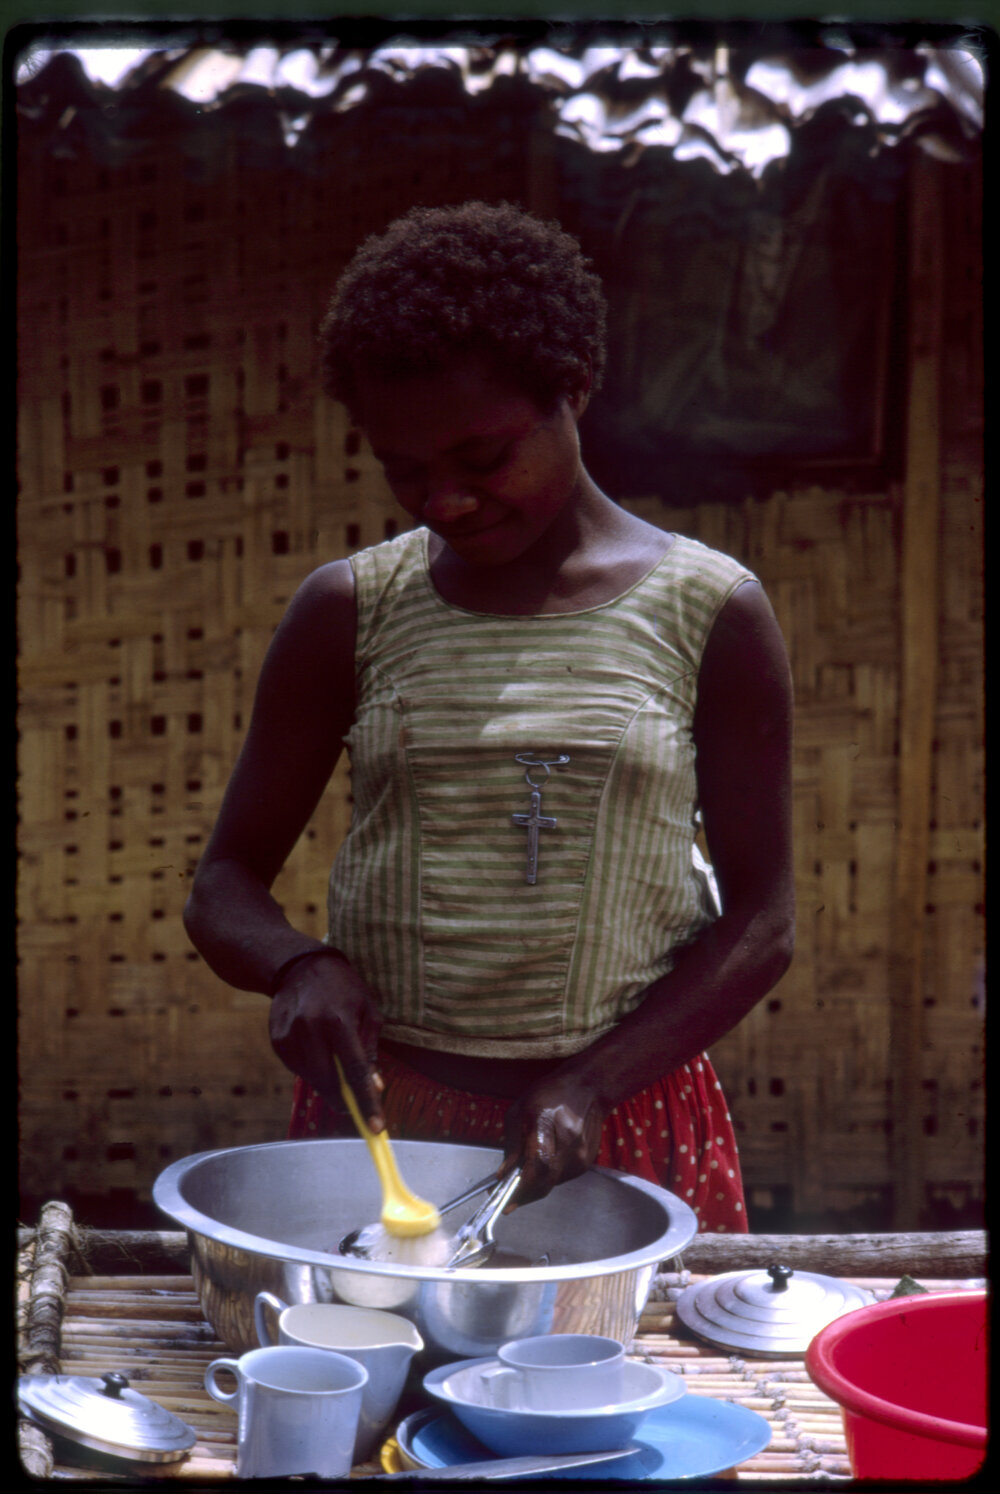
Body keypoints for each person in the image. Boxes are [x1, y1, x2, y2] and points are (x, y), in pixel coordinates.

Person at [183, 200, 794, 1233]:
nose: (446, 501)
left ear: (574, 389)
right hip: (386, 1130)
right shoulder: (350, 612)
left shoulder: (710, 613)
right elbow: (223, 884)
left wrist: (594, 1083)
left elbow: (762, 922)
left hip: (616, 1123)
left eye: (482, 457)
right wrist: (299, 962)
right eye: (406, 469)